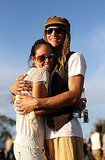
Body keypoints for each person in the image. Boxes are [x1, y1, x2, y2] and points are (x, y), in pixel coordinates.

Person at [10, 16, 87, 160]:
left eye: (59, 30)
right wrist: (12, 88)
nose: (53, 34)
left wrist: (35, 103)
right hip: (46, 135)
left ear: (66, 34)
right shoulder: (46, 67)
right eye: (49, 30)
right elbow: (25, 94)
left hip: (66, 131)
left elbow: (74, 94)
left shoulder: (75, 58)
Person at [13, 39, 57, 160]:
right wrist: (69, 104)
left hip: (22, 143)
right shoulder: (41, 72)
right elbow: (37, 109)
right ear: (33, 59)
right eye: (41, 58)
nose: (47, 61)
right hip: (32, 144)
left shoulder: (27, 75)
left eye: (50, 56)